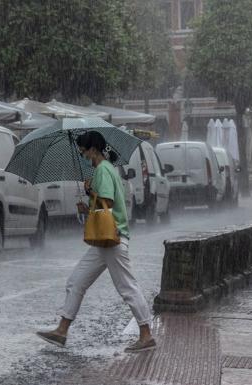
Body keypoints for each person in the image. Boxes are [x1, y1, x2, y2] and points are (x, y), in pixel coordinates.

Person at [36, 131, 156, 353]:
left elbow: (107, 202)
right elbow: (103, 203)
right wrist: (89, 203)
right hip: (104, 241)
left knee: (127, 287)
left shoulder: (102, 169)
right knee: (76, 281)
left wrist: (91, 193)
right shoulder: (107, 168)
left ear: (93, 149)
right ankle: (62, 330)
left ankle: (146, 334)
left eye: (83, 150)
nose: (82, 154)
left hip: (112, 238)